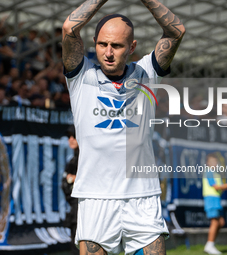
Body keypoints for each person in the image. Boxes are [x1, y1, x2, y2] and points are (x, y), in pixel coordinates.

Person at [62, 0, 185, 255]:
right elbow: (69, 29)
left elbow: (176, 31)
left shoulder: (146, 73)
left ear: (132, 47)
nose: (108, 52)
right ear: (94, 43)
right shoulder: (80, 75)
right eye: (102, 44)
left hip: (143, 196)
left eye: (116, 46)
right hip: (96, 197)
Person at [203, 153, 227, 254]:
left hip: (216, 200)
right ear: (207, 163)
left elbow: (220, 189)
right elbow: (216, 187)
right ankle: (210, 245)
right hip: (211, 200)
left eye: (216, 162)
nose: (214, 164)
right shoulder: (209, 172)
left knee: (221, 222)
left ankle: (210, 244)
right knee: (214, 222)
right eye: (212, 162)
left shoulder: (216, 174)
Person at [62, 125, 79, 255]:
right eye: (69, 137)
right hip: (74, 208)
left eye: (74, 136)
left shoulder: (86, 160)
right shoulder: (72, 161)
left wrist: (76, 179)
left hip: (86, 209)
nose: (71, 139)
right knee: (74, 244)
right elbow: (64, 184)